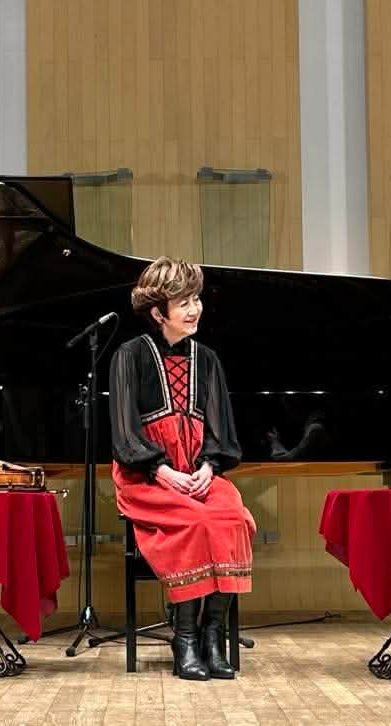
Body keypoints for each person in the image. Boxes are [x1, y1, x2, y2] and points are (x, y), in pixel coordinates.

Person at [109, 256, 256, 681]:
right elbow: (124, 432)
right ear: (159, 313)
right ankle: (185, 639)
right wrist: (161, 471)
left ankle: (212, 636)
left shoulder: (206, 359)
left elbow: (221, 428)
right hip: (146, 477)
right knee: (195, 522)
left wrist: (209, 466)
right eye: (184, 302)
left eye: (196, 299)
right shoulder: (129, 355)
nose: (195, 309)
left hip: (197, 472)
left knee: (233, 518)